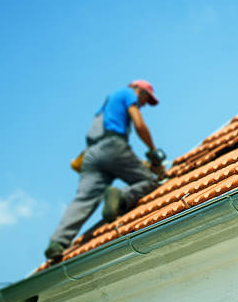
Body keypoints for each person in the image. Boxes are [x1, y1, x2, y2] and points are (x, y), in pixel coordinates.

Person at [44, 80, 165, 261]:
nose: (145, 103)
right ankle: (121, 198)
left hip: (91, 155)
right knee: (150, 181)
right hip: (113, 147)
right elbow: (139, 124)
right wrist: (153, 151)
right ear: (138, 90)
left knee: (84, 198)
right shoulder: (127, 94)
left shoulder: (107, 105)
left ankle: (57, 243)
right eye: (147, 98)